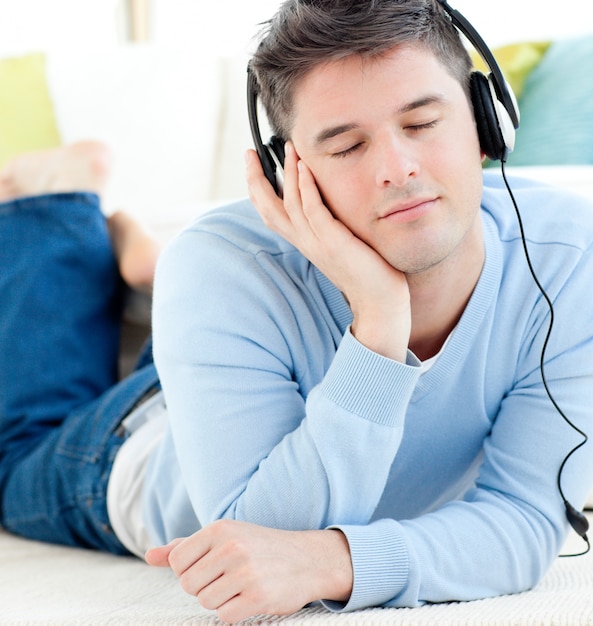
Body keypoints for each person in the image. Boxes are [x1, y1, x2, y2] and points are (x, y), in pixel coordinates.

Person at [2, 1, 593, 624]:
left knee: (202, 284)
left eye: (421, 123)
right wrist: (379, 322)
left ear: (484, 121)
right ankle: (56, 205)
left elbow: (527, 521)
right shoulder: (220, 265)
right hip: (142, 434)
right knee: (16, 463)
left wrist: (335, 562)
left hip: (246, 346)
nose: (399, 170)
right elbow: (256, 548)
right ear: (291, 174)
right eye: (346, 147)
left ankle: (148, 269)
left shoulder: (571, 257)